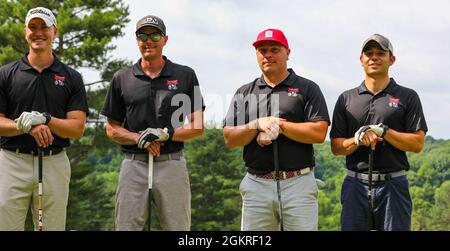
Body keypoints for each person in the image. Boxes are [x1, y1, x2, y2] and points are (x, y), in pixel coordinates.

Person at [101, 15, 205, 231]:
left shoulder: (185, 75)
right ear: (136, 40)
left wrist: (166, 134)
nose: (148, 41)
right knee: (126, 227)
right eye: (142, 35)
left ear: (165, 39)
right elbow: (111, 128)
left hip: (172, 163)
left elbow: (198, 125)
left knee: (178, 228)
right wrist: (139, 138)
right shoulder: (122, 77)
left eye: (154, 35)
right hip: (133, 163)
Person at [223, 28, 329, 231]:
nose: (268, 54)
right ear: (256, 54)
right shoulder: (245, 92)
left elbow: (318, 132)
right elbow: (230, 138)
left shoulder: (307, 88)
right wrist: (256, 125)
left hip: (298, 183)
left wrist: (278, 125)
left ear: (287, 53)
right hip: (257, 184)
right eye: (262, 50)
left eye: (274, 49)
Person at [0, 7, 89, 231]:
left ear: (55, 31)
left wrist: (46, 119)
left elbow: (77, 128)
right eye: (33, 27)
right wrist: (27, 126)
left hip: (54, 163)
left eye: (44, 27)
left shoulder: (72, 77)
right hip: (12, 162)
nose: (38, 32)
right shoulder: (6, 74)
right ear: (25, 32)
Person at [330, 34, 428, 231]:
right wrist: (358, 140)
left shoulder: (407, 96)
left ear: (391, 59)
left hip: (393, 185)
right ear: (361, 60)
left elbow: (417, 144)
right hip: (354, 185)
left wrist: (384, 132)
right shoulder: (346, 99)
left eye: (380, 53)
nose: (374, 57)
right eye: (369, 53)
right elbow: (336, 147)